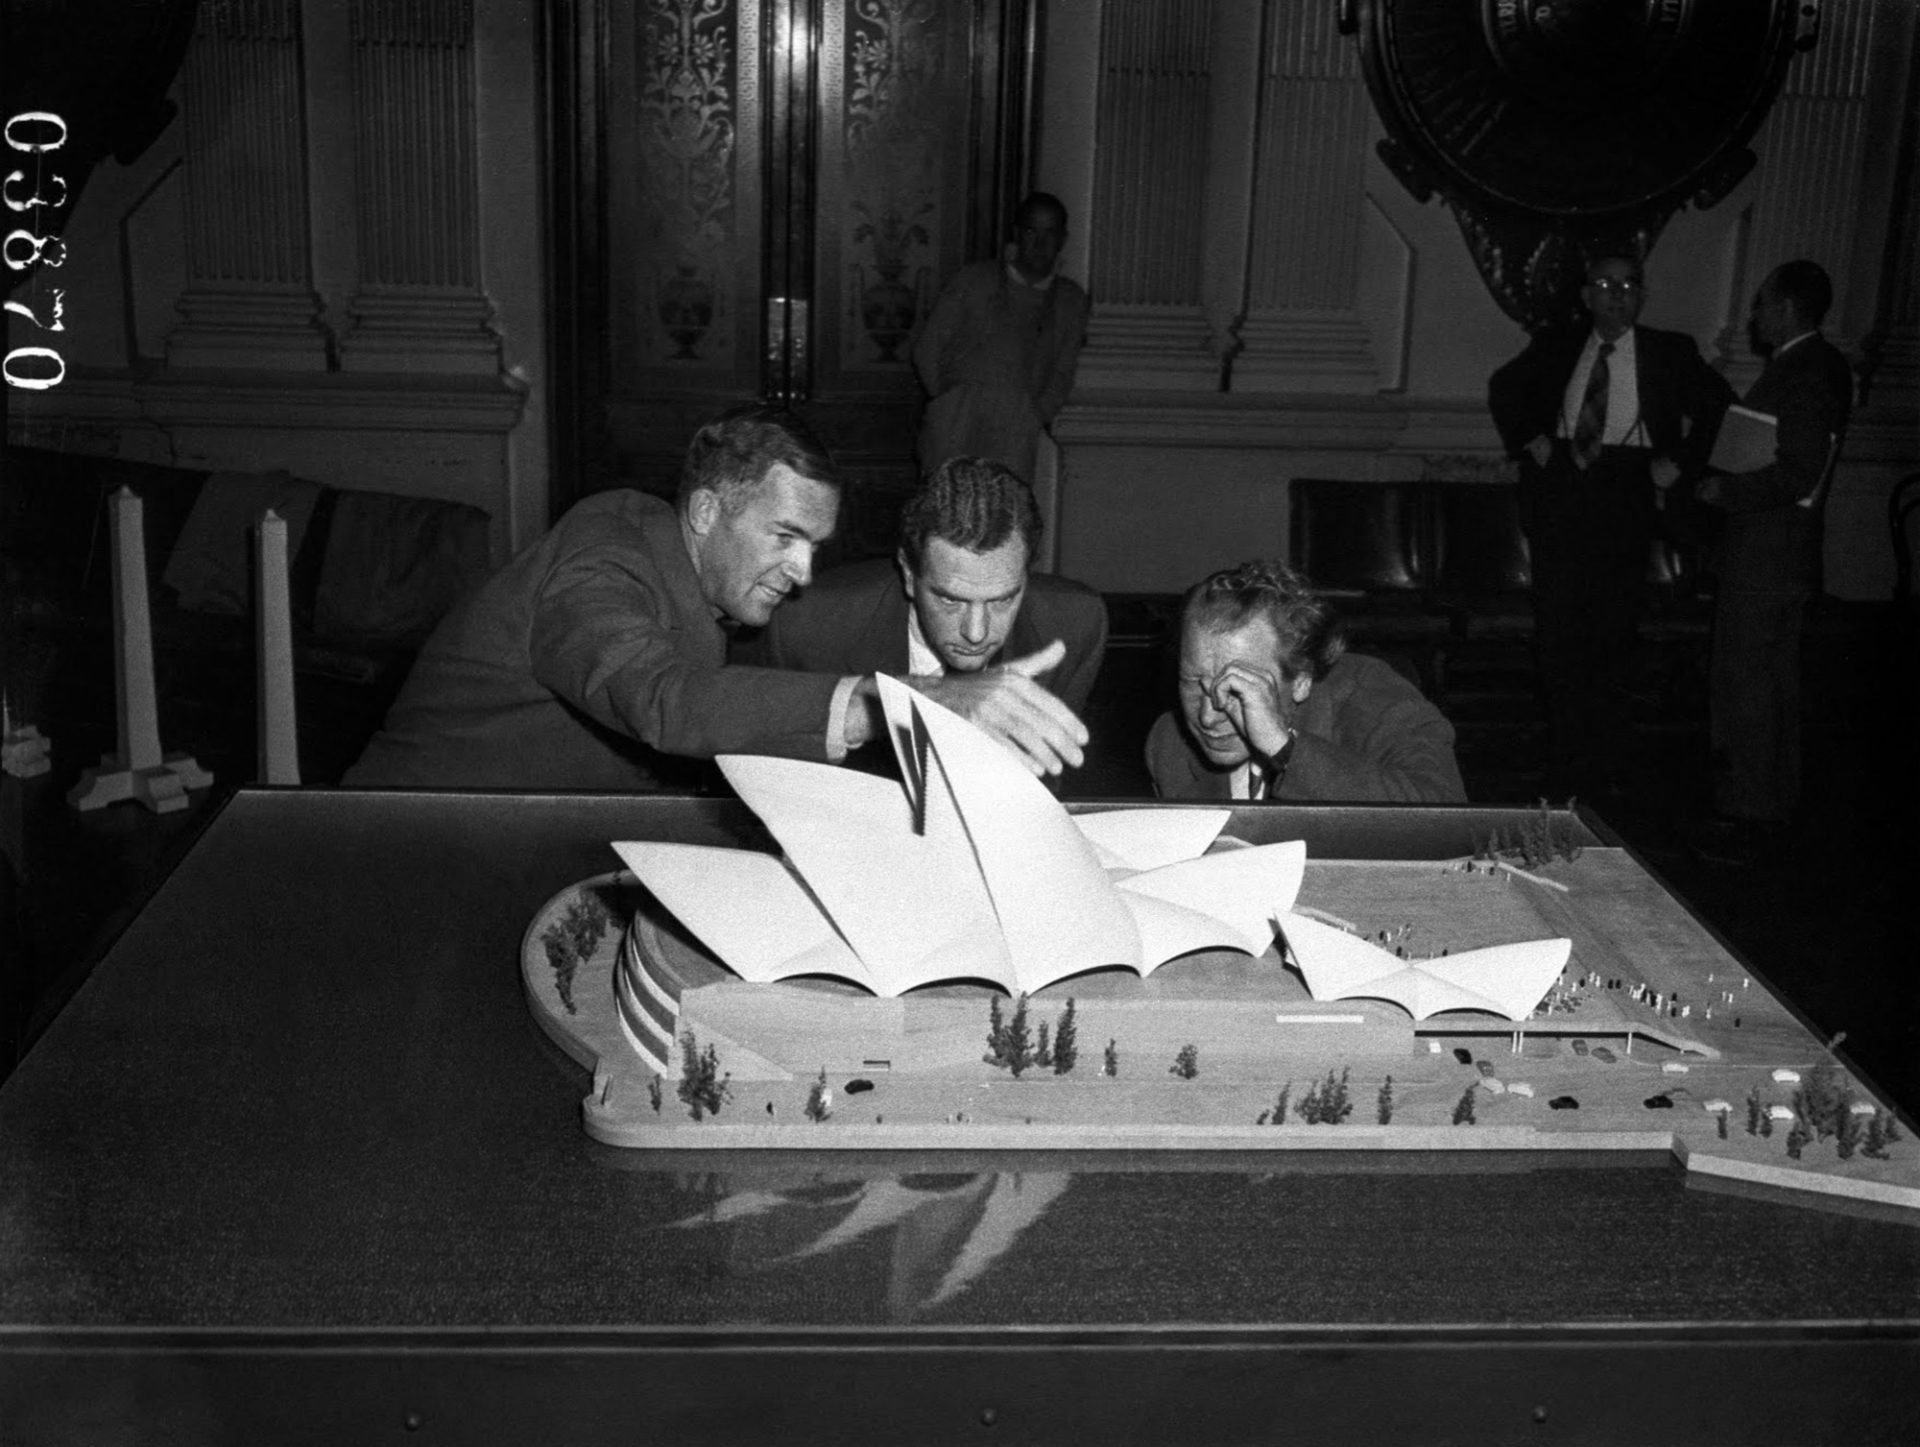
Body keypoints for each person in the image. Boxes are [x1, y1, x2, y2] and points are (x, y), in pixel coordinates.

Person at [344, 406, 1087, 790]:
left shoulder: (699, 583)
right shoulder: (601, 559)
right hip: (399, 838)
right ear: (706, 512)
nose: (803, 572)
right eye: (785, 536)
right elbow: (666, 701)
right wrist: (908, 701)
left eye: (815, 547)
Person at [1489, 254, 1734, 802]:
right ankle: (1564, 756)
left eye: (1628, 285)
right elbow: (1504, 387)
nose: (1617, 295)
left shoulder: (1670, 351)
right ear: (1585, 296)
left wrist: (1683, 461)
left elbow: (1722, 407)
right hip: (1563, 488)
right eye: (1604, 285)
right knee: (1558, 630)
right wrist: (1532, 437)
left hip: (1628, 487)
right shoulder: (1557, 345)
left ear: (1642, 295)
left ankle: (1608, 764)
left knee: (1613, 631)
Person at [741, 457, 1107, 729]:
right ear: (908, 573)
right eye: (950, 599)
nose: (976, 632)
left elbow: (1045, 785)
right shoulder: (807, 626)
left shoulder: (1076, 624)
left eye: (1002, 600)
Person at [1693, 260, 1853, 856]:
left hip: (1767, 555)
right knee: (1771, 682)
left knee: (1746, 684)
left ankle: (1748, 813)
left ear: (1786, 308)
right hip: (1778, 555)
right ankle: (1769, 805)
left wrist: (1722, 490)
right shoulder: (1815, 366)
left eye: (1762, 303)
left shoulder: (1805, 371)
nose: (1754, 315)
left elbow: (1796, 470)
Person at [1144, 560, 1466, 803]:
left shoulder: (1373, 700)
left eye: (1238, 689)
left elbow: (1445, 816)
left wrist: (1284, 748)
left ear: (1301, 679)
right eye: (1191, 681)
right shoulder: (1169, 747)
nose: (1206, 716)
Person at [912, 191, 1089, 484]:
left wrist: (1034, 416)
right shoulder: (974, 280)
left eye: (1050, 233)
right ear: (1018, 233)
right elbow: (928, 349)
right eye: (1032, 231)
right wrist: (947, 401)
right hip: (957, 416)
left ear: (1062, 239)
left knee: (1003, 515)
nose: (1040, 243)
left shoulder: (1070, 301)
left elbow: (1063, 370)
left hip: (1016, 428)